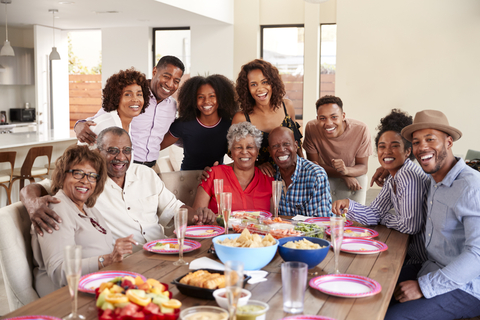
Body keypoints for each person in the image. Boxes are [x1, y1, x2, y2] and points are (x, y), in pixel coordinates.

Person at [21, 127, 216, 248]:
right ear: (98, 151)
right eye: (112, 151)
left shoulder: (145, 174)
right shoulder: (85, 182)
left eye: (126, 151)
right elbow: (40, 186)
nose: (121, 157)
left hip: (162, 249)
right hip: (123, 259)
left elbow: (175, 210)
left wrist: (200, 216)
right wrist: (31, 202)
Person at [385, 110, 480, 320]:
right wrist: (390, 168)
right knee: (371, 287)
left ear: (448, 142)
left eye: (430, 139)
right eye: (417, 142)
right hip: (431, 267)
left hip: (469, 286)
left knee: (394, 318)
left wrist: (423, 286)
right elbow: (409, 174)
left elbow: (477, 256)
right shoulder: (433, 180)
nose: (422, 147)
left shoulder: (471, 186)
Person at [31, 145, 136, 297]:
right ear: (62, 176)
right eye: (78, 173)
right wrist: (106, 260)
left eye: (92, 176)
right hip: (65, 295)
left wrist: (115, 257)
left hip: (96, 284)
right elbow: (58, 271)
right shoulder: (55, 209)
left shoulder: (89, 209)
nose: (85, 181)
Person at [332, 109, 429, 265]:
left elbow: (410, 226)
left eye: (395, 146)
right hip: (408, 253)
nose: (387, 151)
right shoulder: (393, 176)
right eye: (382, 146)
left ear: (407, 151)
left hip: (420, 260)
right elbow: (374, 213)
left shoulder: (408, 175)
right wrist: (349, 205)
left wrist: (383, 218)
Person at [75, 56, 185, 168]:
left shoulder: (172, 105)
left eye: (176, 81)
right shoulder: (134, 98)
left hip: (152, 166)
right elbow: (100, 119)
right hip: (125, 165)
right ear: (154, 71)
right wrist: (79, 124)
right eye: (166, 77)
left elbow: (166, 135)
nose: (170, 84)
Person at [232, 59, 304, 176]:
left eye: (265, 82)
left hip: (292, 174)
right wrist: (257, 165)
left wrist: (305, 167)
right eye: (253, 84)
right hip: (261, 177)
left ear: (273, 83)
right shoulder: (241, 118)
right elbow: (235, 153)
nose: (260, 89)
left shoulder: (287, 106)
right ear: (247, 89)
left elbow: (296, 144)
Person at [193, 122, 273, 213]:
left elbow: (274, 220)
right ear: (231, 151)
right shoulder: (213, 174)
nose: (244, 152)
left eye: (250, 147)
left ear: (257, 151)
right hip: (219, 227)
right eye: (238, 147)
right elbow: (197, 215)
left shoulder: (268, 179)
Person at [160, 74, 237, 170]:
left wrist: (221, 168)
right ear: (193, 100)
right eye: (200, 97)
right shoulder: (183, 125)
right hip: (188, 179)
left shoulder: (229, 125)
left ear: (221, 98)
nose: (206, 101)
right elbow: (155, 147)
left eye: (212, 96)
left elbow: (240, 158)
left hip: (216, 177)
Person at [304, 95, 373, 202]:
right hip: (322, 180)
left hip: (352, 178)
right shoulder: (311, 128)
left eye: (334, 117)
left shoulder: (361, 130)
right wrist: (343, 175)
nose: (328, 123)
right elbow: (313, 165)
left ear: (343, 116)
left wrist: (346, 170)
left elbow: (363, 167)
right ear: (317, 118)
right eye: (322, 118)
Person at [268, 126, 331, 217]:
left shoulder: (315, 175)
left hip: (309, 230)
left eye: (286, 144)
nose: (281, 149)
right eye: (275, 146)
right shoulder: (271, 174)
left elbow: (320, 222)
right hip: (281, 230)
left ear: (295, 146)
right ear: (270, 151)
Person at [77, 68, 150, 145]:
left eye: (139, 94)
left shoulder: (127, 123)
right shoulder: (104, 125)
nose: (135, 99)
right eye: (128, 94)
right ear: (116, 98)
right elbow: (79, 155)